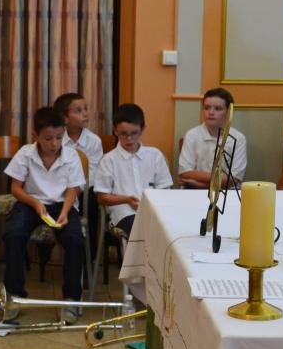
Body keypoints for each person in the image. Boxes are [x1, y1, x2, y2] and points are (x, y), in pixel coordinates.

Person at [1, 106, 87, 320]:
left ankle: (71, 300)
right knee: (13, 234)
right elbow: (16, 188)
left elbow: (73, 189)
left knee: (75, 239)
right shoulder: (25, 153)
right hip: (30, 202)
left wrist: (65, 212)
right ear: (35, 135)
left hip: (62, 204)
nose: (54, 144)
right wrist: (35, 203)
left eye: (59, 137)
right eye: (48, 139)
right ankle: (14, 295)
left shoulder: (71, 155)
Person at [93, 103, 174, 238]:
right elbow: (102, 197)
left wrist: (149, 204)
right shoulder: (108, 160)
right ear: (115, 130)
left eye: (134, 133)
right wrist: (127, 200)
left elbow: (165, 189)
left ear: (142, 129)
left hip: (154, 211)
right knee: (141, 229)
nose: (129, 139)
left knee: (170, 228)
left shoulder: (155, 155)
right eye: (124, 134)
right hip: (123, 213)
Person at [177, 87, 247, 189]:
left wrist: (201, 184)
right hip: (193, 191)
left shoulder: (238, 138)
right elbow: (184, 173)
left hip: (226, 193)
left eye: (217, 109)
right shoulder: (192, 135)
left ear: (229, 112)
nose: (211, 112)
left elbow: (234, 179)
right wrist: (220, 179)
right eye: (207, 108)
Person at [54, 92, 104, 169]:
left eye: (85, 109)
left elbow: (94, 171)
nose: (85, 114)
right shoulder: (55, 140)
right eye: (78, 111)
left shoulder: (94, 141)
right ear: (64, 118)